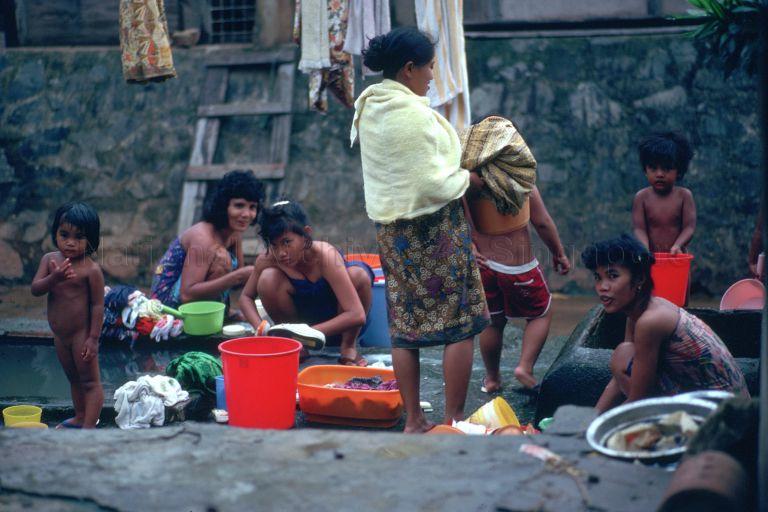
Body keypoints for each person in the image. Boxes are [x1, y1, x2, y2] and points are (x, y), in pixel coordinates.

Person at [350, 27, 489, 432]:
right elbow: (431, 182)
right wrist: (468, 180)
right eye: (429, 67)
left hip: (393, 234)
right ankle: (452, 420)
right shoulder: (412, 115)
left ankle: (413, 419)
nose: (432, 75)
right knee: (459, 324)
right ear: (409, 68)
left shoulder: (372, 108)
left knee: (405, 327)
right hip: (435, 229)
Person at [583, 235, 749, 414]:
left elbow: (638, 399)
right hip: (709, 397)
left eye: (612, 276)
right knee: (623, 356)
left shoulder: (650, 321)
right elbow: (620, 375)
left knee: (622, 355)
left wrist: (599, 426)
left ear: (639, 279)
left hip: (725, 413)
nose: (602, 287)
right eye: (598, 277)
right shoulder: (638, 311)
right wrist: (590, 418)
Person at [239, 200, 373, 366]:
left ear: (306, 234)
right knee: (268, 279)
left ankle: (348, 347)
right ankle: (297, 346)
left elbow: (357, 315)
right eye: (274, 245)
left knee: (358, 275)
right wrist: (261, 328)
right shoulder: (268, 259)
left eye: (286, 242)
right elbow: (245, 297)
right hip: (300, 328)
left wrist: (308, 332)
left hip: (340, 325)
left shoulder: (325, 255)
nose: (281, 253)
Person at [468, 185, 571, 392]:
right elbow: (542, 223)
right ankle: (524, 368)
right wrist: (559, 253)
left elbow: (456, 220)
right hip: (518, 268)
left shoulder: (466, 182)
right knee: (541, 313)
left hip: (483, 265)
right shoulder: (520, 180)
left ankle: (492, 379)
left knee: (493, 322)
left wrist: (469, 248)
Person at [31, 202, 105, 428]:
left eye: (79, 237)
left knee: (90, 382)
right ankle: (80, 416)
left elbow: (97, 306)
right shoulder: (49, 260)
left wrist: (93, 339)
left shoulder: (91, 270)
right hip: (60, 336)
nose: (70, 242)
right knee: (73, 378)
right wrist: (54, 278)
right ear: (55, 233)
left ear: (91, 240)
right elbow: (36, 289)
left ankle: (88, 430)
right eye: (64, 235)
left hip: (81, 335)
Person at [151, 170, 262, 310]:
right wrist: (237, 276)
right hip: (167, 306)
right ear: (224, 205)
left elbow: (239, 282)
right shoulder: (203, 238)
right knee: (222, 258)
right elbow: (186, 294)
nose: (246, 214)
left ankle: (220, 313)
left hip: (196, 302)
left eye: (252, 207)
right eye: (239, 205)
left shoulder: (234, 233)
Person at [632, 132, 696, 255]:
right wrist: (645, 249)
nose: (659, 174)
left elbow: (689, 228)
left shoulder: (684, 196)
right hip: (650, 258)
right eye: (653, 168)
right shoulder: (641, 197)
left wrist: (678, 245)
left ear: (679, 170)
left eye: (666, 168)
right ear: (645, 170)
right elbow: (639, 229)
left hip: (676, 257)